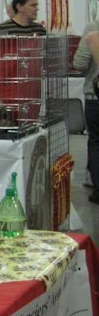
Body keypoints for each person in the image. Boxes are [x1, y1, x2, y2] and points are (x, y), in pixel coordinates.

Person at [73, 22, 99, 203]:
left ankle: (97, 187)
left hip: (95, 96)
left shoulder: (93, 29)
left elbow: (79, 63)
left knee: (96, 141)